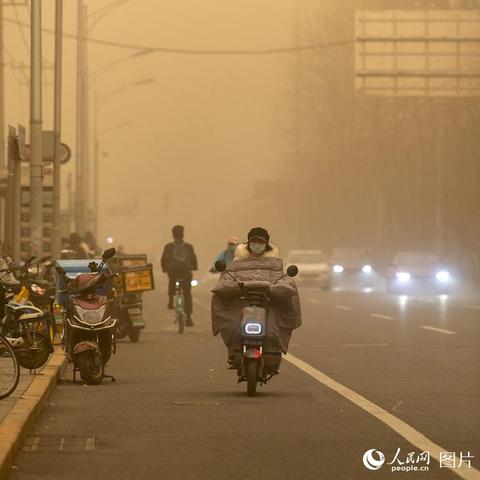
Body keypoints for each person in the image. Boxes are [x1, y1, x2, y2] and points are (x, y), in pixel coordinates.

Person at [211, 227, 301, 370]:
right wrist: (233, 288)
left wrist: (278, 289)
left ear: (266, 245)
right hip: (242, 304)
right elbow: (226, 282)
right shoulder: (237, 265)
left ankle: (272, 357)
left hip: (269, 304)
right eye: (254, 242)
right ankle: (235, 354)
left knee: (274, 329)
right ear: (248, 244)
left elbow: (285, 282)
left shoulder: (275, 266)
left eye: (261, 242)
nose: (257, 245)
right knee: (233, 326)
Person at [161, 225, 198, 326]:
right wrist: (194, 268)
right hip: (186, 272)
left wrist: (165, 269)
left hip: (173, 272)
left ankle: (170, 301)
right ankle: (189, 317)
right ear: (183, 234)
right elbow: (193, 259)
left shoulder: (168, 247)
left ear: (173, 235)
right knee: (187, 293)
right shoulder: (188, 247)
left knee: (172, 282)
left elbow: (163, 259)